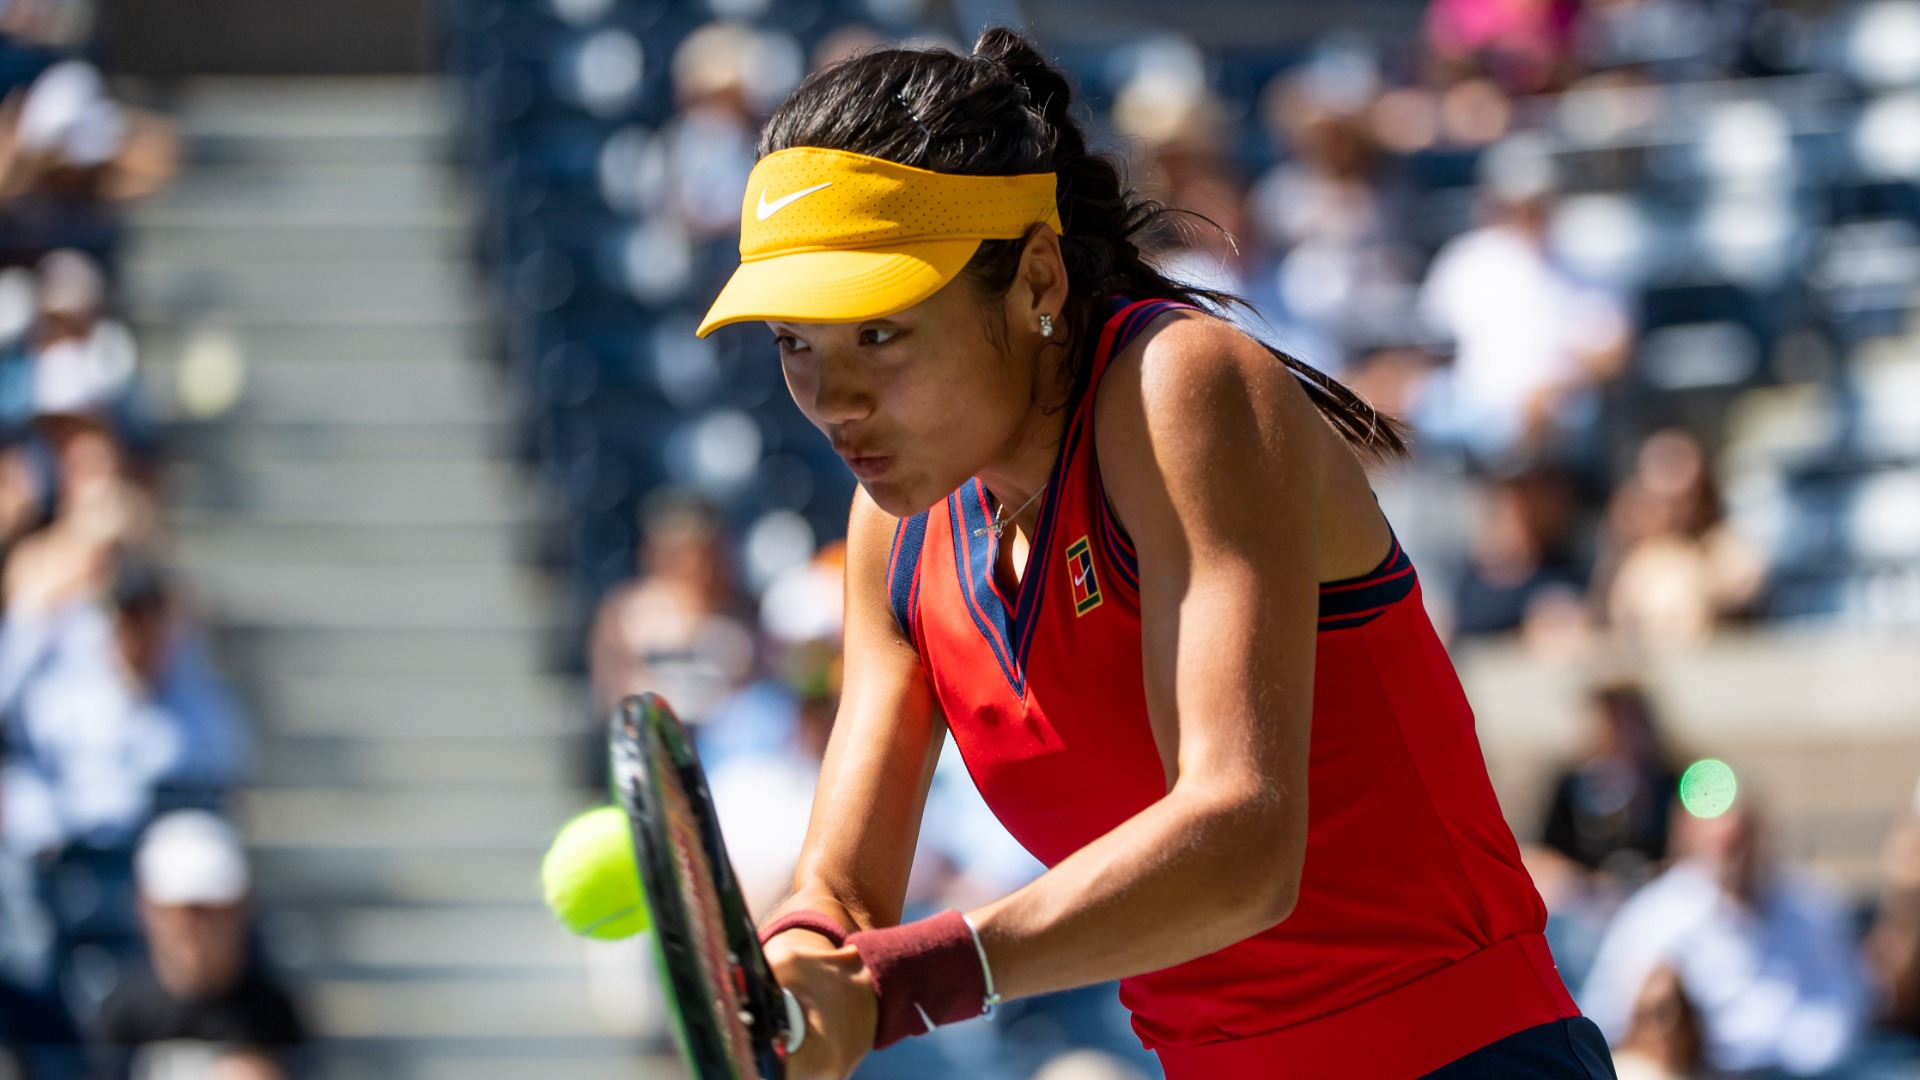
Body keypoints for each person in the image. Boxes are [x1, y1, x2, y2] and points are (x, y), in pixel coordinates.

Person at [693, 29, 1615, 1080]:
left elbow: (1241, 843)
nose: (833, 401)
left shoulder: (1184, 386)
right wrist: (802, 963)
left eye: (879, 333)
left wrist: (909, 982)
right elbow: (844, 898)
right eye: (794, 344)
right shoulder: (892, 535)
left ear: (1036, 278)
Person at [1579, 795, 1867, 1076]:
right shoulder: (1652, 918)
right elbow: (1605, 1014)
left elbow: (1845, 1008)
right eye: (1723, 846)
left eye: (1741, 842)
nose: (1736, 858)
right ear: (1688, 844)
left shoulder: (1813, 906)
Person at [93, 811, 306, 1079]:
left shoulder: (273, 1012)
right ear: (148, 909)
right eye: (184, 911)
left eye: (212, 910)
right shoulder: (123, 1011)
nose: (197, 928)